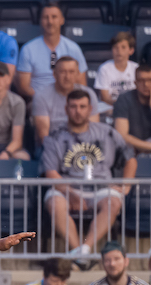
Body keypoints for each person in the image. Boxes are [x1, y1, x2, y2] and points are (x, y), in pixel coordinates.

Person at [42, 90, 136, 261]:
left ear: (90, 109)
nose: (78, 111)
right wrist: (69, 192)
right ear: (66, 108)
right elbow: (51, 172)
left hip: (101, 188)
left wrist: (126, 185)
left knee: (114, 202)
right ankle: (78, 251)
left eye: (82, 107)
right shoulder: (55, 136)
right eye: (73, 106)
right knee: (54, 202)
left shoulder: (107, 132)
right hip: (66, 188)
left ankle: (85, 248)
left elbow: (131, 159)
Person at [15, 3, 87, 100]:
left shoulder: (73, 48)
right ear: (41, 21)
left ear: (62, 20)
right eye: (46, 17)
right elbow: (24, 87)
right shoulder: (28, 49)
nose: (50, 21)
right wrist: (44, 98)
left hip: (68, 100)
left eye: (54, 17)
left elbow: (81, 84)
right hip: (38, 100)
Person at [32, 57, 99, 147]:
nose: (67, 77)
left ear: (78, 74)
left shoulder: (88, 95)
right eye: (63, 72)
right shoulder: (42, 96)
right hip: (53, 148)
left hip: (83, 147)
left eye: (71, 72)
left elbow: (93, 130)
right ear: (54, 74)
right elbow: (43, 137)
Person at [113, 64, 151, 157]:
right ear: (135, 83)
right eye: (141, 80)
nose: (145, 84)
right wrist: (148, 147)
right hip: (131, 152)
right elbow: (121, 135)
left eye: (149, 80)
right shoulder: (124, 99)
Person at [95, 32, 138, 108]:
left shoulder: (136, 68)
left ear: (131, 50)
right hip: (110, 106)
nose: (119, 51)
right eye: (115, 47)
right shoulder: (104, 69)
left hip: (132, 106)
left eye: (123, 47)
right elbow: (104, 98)